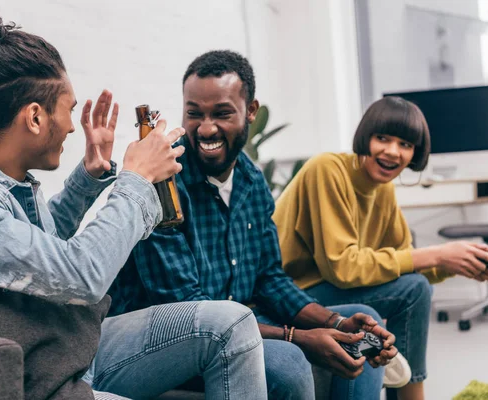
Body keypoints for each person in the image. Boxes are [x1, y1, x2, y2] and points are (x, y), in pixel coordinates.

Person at [0, 10, 269, 400]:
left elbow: (34, 250)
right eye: (69, 110)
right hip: (46, 366)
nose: (73, 127)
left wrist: (88, 178)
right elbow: (80, 276)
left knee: (233, 322)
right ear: (35, 117)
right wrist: (136, 181)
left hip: (71, 342)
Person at [107, 50, 398, 400]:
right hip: (173, 339)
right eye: (194, 113)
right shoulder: (162, 186)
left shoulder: (250, 179)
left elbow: (270, 279)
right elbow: (189, 312)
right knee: (287, 361)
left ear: (251, 112)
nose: (206, 128)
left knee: (364, 322)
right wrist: (298, 337)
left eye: (222, 113)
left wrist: (334, 324)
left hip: (239, 321)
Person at [273, 96, 488, 400]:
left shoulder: (383, 191)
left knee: (415, 288)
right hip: (288, 297)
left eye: (405, 144)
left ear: (414, 154)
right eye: (383, 138)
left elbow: (404, 264)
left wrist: (455, 263)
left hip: (322, 289)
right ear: (365, 137)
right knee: (401, 298)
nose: (393, 151)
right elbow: (343, 267)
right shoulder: (326, 169)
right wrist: (438, 254)